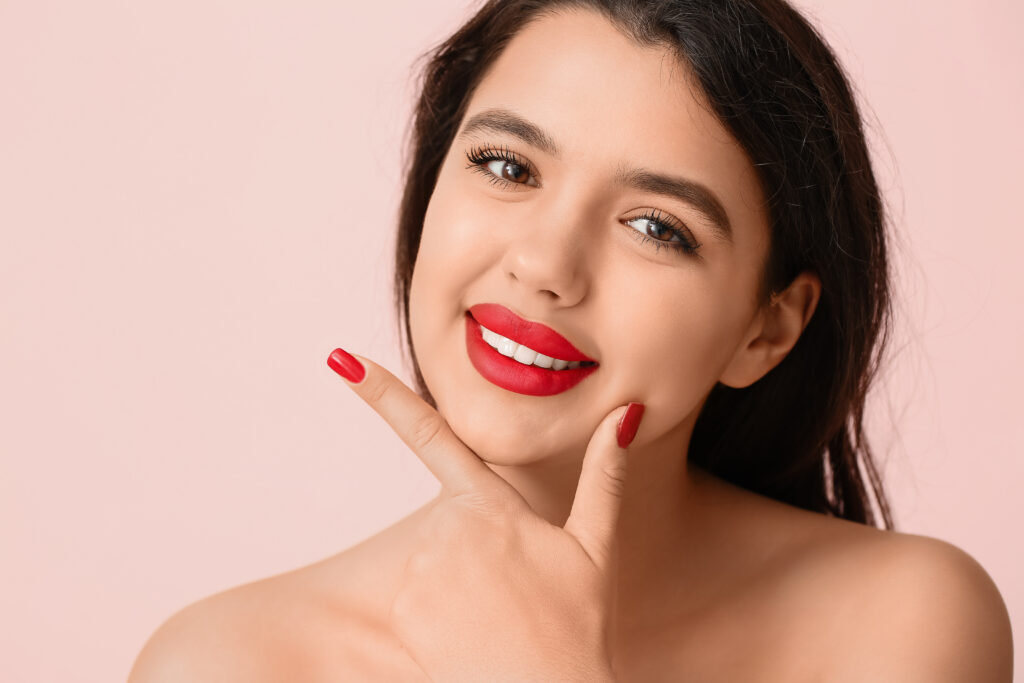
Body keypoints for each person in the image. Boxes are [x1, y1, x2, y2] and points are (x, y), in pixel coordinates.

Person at [128, 0, 1014, 680]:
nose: (547, 265)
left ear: (767, 327)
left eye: (657, 227)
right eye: (507, 167)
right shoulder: (225, 661)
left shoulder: (902, 623)